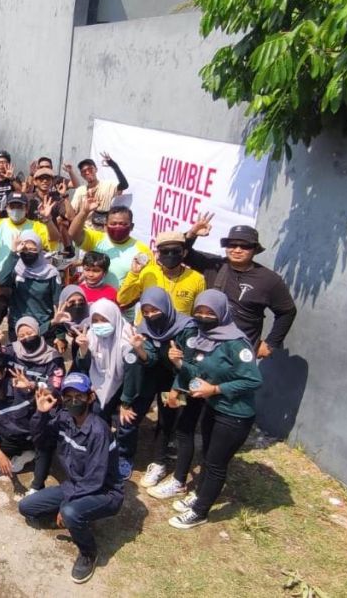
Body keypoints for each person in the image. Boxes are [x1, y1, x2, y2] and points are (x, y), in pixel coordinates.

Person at [157, 290, 263, 529]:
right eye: (200, 312)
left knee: (216, 464)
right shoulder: (207, 338)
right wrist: (179, 363)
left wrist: (215, 390)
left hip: (234, 415)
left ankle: (200, 511)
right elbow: (198, 373)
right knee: (208, 456)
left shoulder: (236, 343)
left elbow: (253, 380)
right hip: (213, 409)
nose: (204, 317)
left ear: (222, 313)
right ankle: (200, 494)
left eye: (210, 312)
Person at [18, 373, 124, 584]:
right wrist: (41, 414)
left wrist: (66, 504)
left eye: (80, 396)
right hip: (75, 485)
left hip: (105, 492)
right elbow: (40, 442)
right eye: (68, 396)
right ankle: (77, 518)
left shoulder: (98, 431)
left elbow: (95, 480)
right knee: (27, 507)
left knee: (70, 511)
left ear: (90, 397)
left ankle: (88, 553)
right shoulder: (64, 418)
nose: (73, 401)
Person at [116, 288, 197, 489]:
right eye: (146, 311)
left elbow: (190, 365)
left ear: (166, 306)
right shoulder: (145, 327)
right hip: (152, 375)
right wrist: (140, 349)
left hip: (177, 377)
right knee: (134, 411)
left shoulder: (187, 328)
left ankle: (160, 461)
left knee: (168, 417)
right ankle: (126, 457)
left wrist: (177, 390)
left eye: (155, 310)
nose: (151, 315)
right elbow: (150, 359)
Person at [183, 216, 297, 357]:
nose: (237, 250)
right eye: (232, 245)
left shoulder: (270, 279)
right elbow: (183, 254)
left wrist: (271, 344)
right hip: (206, 346)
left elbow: (287, 312)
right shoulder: (214, 265)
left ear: (255, 249)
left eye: (245, 246)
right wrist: (191, 234)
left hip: (240, 353)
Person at [0, 352, 51, 490]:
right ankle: (25, 455)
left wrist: (32, 387)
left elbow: (54, 394)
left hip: (34, 437)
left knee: (46, 447)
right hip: (11, 439)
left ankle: (37, 485)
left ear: (4, 372)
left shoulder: (21, 385)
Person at [72, 298, 134, 423]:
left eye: (105, 320)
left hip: (122, 387)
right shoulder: (90, 336)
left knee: (125, 422)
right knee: (96, 416)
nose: (100, 324)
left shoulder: (127, 339)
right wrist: (83, 349)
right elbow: (83, 367)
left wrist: (126, 402)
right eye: (95, 321)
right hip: (97, 385)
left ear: (114, 318)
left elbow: (132, 375)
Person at [118, 231, 206, 316]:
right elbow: (123, 299)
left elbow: (199, 313)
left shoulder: (197, 279)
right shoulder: (148, 273)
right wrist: (134, 274)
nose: (170, 255)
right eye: (165, 251)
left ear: (184, 253)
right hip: (146, 329)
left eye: (176, 251)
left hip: (179, 330)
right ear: (158, 254)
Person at [69, 200, 152, 289]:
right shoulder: (97, 239)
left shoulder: (143, 250)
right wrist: (84, 212)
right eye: (113, 224)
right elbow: (73, 234)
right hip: (91, 299)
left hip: (121, 301)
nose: (118, 227)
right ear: (105, 226)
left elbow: (148, 283)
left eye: (123, 224)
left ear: (131, 227)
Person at [0, 230, 62, 338]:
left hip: (44, 327)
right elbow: (1, 281)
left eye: (32, 249)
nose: (28, 253)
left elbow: (58, 304)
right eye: (25, 249)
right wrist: (14, 252)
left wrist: (60, 335)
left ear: (40, 250)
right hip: (18, 327)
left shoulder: (51, 273)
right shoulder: (15, 269)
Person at [0, 192, 57, 266]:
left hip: (27, 276)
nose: (16, 210)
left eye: (20, 206)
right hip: (0, 276)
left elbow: (54, 242)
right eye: (12, 206)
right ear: (6, 208)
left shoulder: (37, 226)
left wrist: (48, 220)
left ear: (27, 209)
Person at [68, 153, 130, 225]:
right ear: (81, 175)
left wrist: (114, 165)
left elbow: (124, 185)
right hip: (85, 228)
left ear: (96, 169)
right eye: (84, 171)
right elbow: (72, 212)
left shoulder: (108, 185)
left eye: (90, 169)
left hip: (103, 229)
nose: (87, 172)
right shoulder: (80, 190)